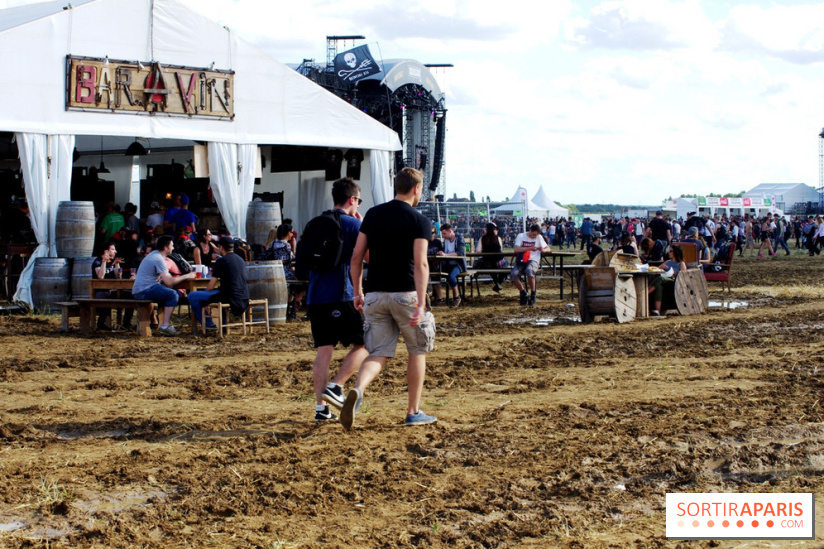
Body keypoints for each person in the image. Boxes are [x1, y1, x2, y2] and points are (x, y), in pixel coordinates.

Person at [347, 167, 437, 430]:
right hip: (406, 294)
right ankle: (413, 411)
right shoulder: (420, 220)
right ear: (417, 189)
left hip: (375, 294)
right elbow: (420, 264)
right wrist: (421, 301)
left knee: (378, 353)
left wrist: (357, 292)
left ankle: (358, 389)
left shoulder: (373, 214)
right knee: (417, 351)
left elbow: (356, 258)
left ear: (396, 186)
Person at [295, 178, 371, 422]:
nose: (358, 204)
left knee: (324, 351)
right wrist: (361, 226)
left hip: (315, 297)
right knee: (365, 343)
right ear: (352, 199)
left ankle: (321, 409)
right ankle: (336, 386)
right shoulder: (351, 224)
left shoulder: (316, 222)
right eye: (358, 200)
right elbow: (368, 257)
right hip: (342, 295)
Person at [131, 234, 195, 336]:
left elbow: (167, 280)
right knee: (172, 294)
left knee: (167, 292)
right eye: (172, 245)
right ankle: (165, 326)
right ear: (166, 247)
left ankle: (160, 323)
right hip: (143, 291)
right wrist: (188, 275)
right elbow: (169, 282)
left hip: (141, 290)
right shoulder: (159, 259)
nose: (173, 248)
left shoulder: (154, 255)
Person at [187, 237, 249, 334]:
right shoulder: (240, 259)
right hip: (244, 295)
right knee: (217, 294)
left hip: (229, 296)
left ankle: (209, 326)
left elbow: (210, 286)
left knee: (192, 296)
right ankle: (222, 326)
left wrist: (207, 290)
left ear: (221, 247)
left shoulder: (221, 261)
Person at [92, 241, 134, 331]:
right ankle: (101, 324)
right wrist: (104, 262)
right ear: (106, 251)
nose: (115, 251)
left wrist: (116, 264)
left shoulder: (112, 262)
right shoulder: (98, 261)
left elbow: (118, 277)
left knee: (131, 297)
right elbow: (100, 277)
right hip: (101, 291)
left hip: (112, 290)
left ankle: (126, 324)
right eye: (113, 249)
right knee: (106, 300)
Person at [268, 223, 305, 320]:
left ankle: (290, 308)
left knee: (293, 287)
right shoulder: (286, 245)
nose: (292, 235)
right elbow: (284, 260)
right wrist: (293, 259)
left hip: (274, 272)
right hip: (284, 273)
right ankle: (293, 308)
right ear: (288, 233)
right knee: (302, 285)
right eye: (292, 232)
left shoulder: (273, 243)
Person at [510, 223, 550, 307]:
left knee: (529, 271)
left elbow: (548, 248)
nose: (534, 237)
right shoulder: (521, 236)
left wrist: (544, 250)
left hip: (533, 259)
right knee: (513, 274)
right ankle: (523, 292)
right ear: (530, 230)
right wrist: (529, 248)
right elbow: (516, 249)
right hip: (521, 259)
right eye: (533, 234)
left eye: (536, 235)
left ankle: (533, 293)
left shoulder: (539, 237)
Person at [648, 244, 687, 315]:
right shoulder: (668, 262)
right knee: (659, 286)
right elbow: (656, 269)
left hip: (674, 282)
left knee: (660, 279)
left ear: (676, 252)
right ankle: (658, 311)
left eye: (671, 251)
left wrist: (673, 272)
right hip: (664, 280)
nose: (669, 253)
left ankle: (647, 292)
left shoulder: (681, 263)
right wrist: (661, 268)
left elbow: (683, 277)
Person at [436, 223, 467, 308]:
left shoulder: (459, 238)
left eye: (444, 233)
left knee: (451, 277)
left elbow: (460, 253)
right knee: (435, 273)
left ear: (450, 231)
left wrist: (445, 255)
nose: (443, 235)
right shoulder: (446, 239)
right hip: (448, 264)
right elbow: (444, 250)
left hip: (458, 264)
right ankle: (439, 298)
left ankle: (457, 297)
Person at [474, 222, 506, 293]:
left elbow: (478, 250)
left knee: (491, 265)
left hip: (487, 263)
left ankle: (497, 283)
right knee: (506, 266)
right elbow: (500, 249)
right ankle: (498, 283)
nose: (497, 231)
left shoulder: (482, 238)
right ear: (493, 230)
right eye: (496, 229)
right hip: (498, 262)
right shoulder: (498, 238)